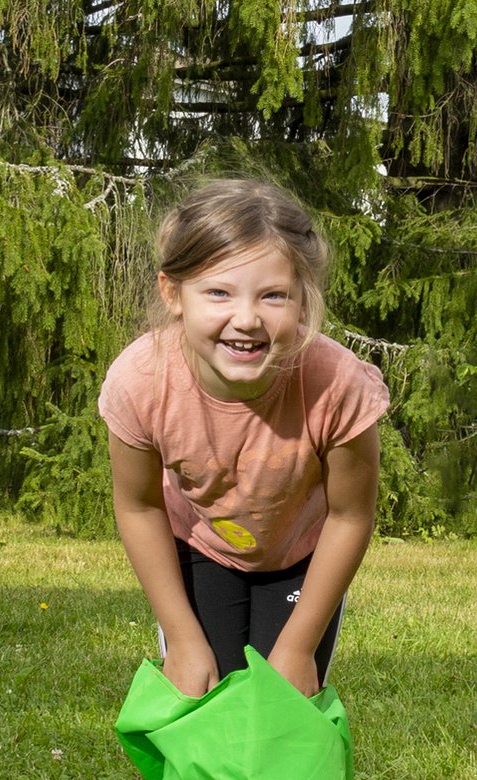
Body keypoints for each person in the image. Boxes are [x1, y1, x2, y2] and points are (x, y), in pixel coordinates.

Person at [99, 178, 389, 699]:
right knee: (206, 696)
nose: (247, 319)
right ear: (173, 293)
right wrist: (184, 640)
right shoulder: (140, 381)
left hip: (302, 555)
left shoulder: (338, 384)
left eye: (273, 295)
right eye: (218, 292)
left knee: (283, 708)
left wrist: (299, 649)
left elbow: (351, 515)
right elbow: (139, 506)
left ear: (303, 300)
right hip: (199, 547)